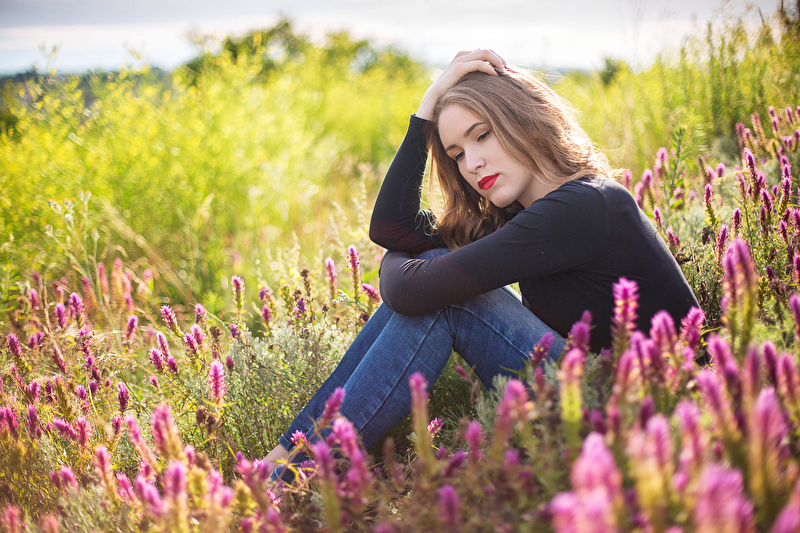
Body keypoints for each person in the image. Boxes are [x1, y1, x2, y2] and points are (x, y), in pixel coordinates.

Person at [266, 50, 699, 480]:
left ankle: (290, 477)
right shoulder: (519, 216)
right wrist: (427, 106)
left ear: (525, 120)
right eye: (456, 154)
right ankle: (285, 460)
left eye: (482, 135)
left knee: (451, 298)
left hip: (641, 414)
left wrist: (410, 269)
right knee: (436, 273)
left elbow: (412, 290)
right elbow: (391, 228)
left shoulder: (585, 205)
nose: (471, 164)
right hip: (593, 397)